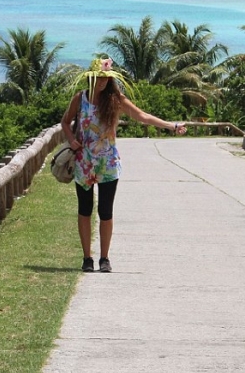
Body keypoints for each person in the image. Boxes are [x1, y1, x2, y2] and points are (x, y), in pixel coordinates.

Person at [61, 57, 187, 273]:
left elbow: (141, 116)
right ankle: (86, 258)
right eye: (99, 78)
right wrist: (72, 140)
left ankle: (104, 258)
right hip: (84, 164)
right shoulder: (79, 99)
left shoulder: (115, 100)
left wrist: (170, 125)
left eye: (106, 78)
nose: (102, 82)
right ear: (91, 78)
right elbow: (65, 121)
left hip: (108, 164)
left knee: (105, 211)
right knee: (84, 209)